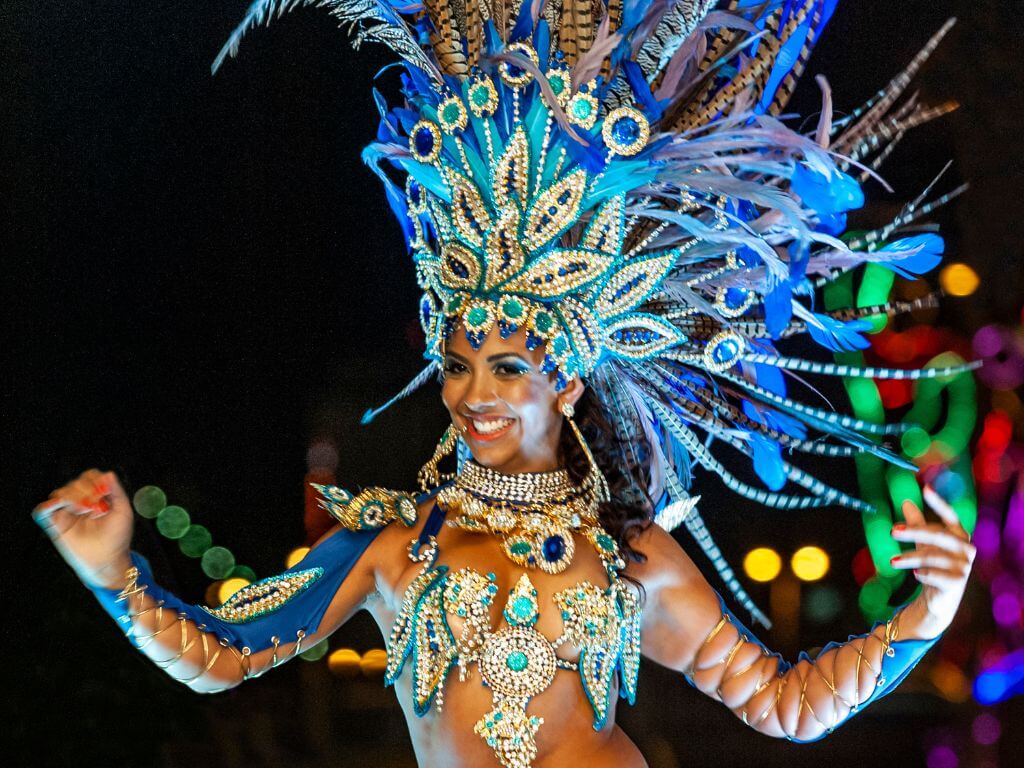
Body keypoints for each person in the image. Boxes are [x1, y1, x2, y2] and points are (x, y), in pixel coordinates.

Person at [33, 2, 976, 767]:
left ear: (566, 383)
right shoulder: (395, 547)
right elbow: (225, 656)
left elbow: (783, 704)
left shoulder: (631, 561)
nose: (471, 390)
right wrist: (116, 575)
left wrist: (926, 616)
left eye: (508, 365)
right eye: (456, 363)